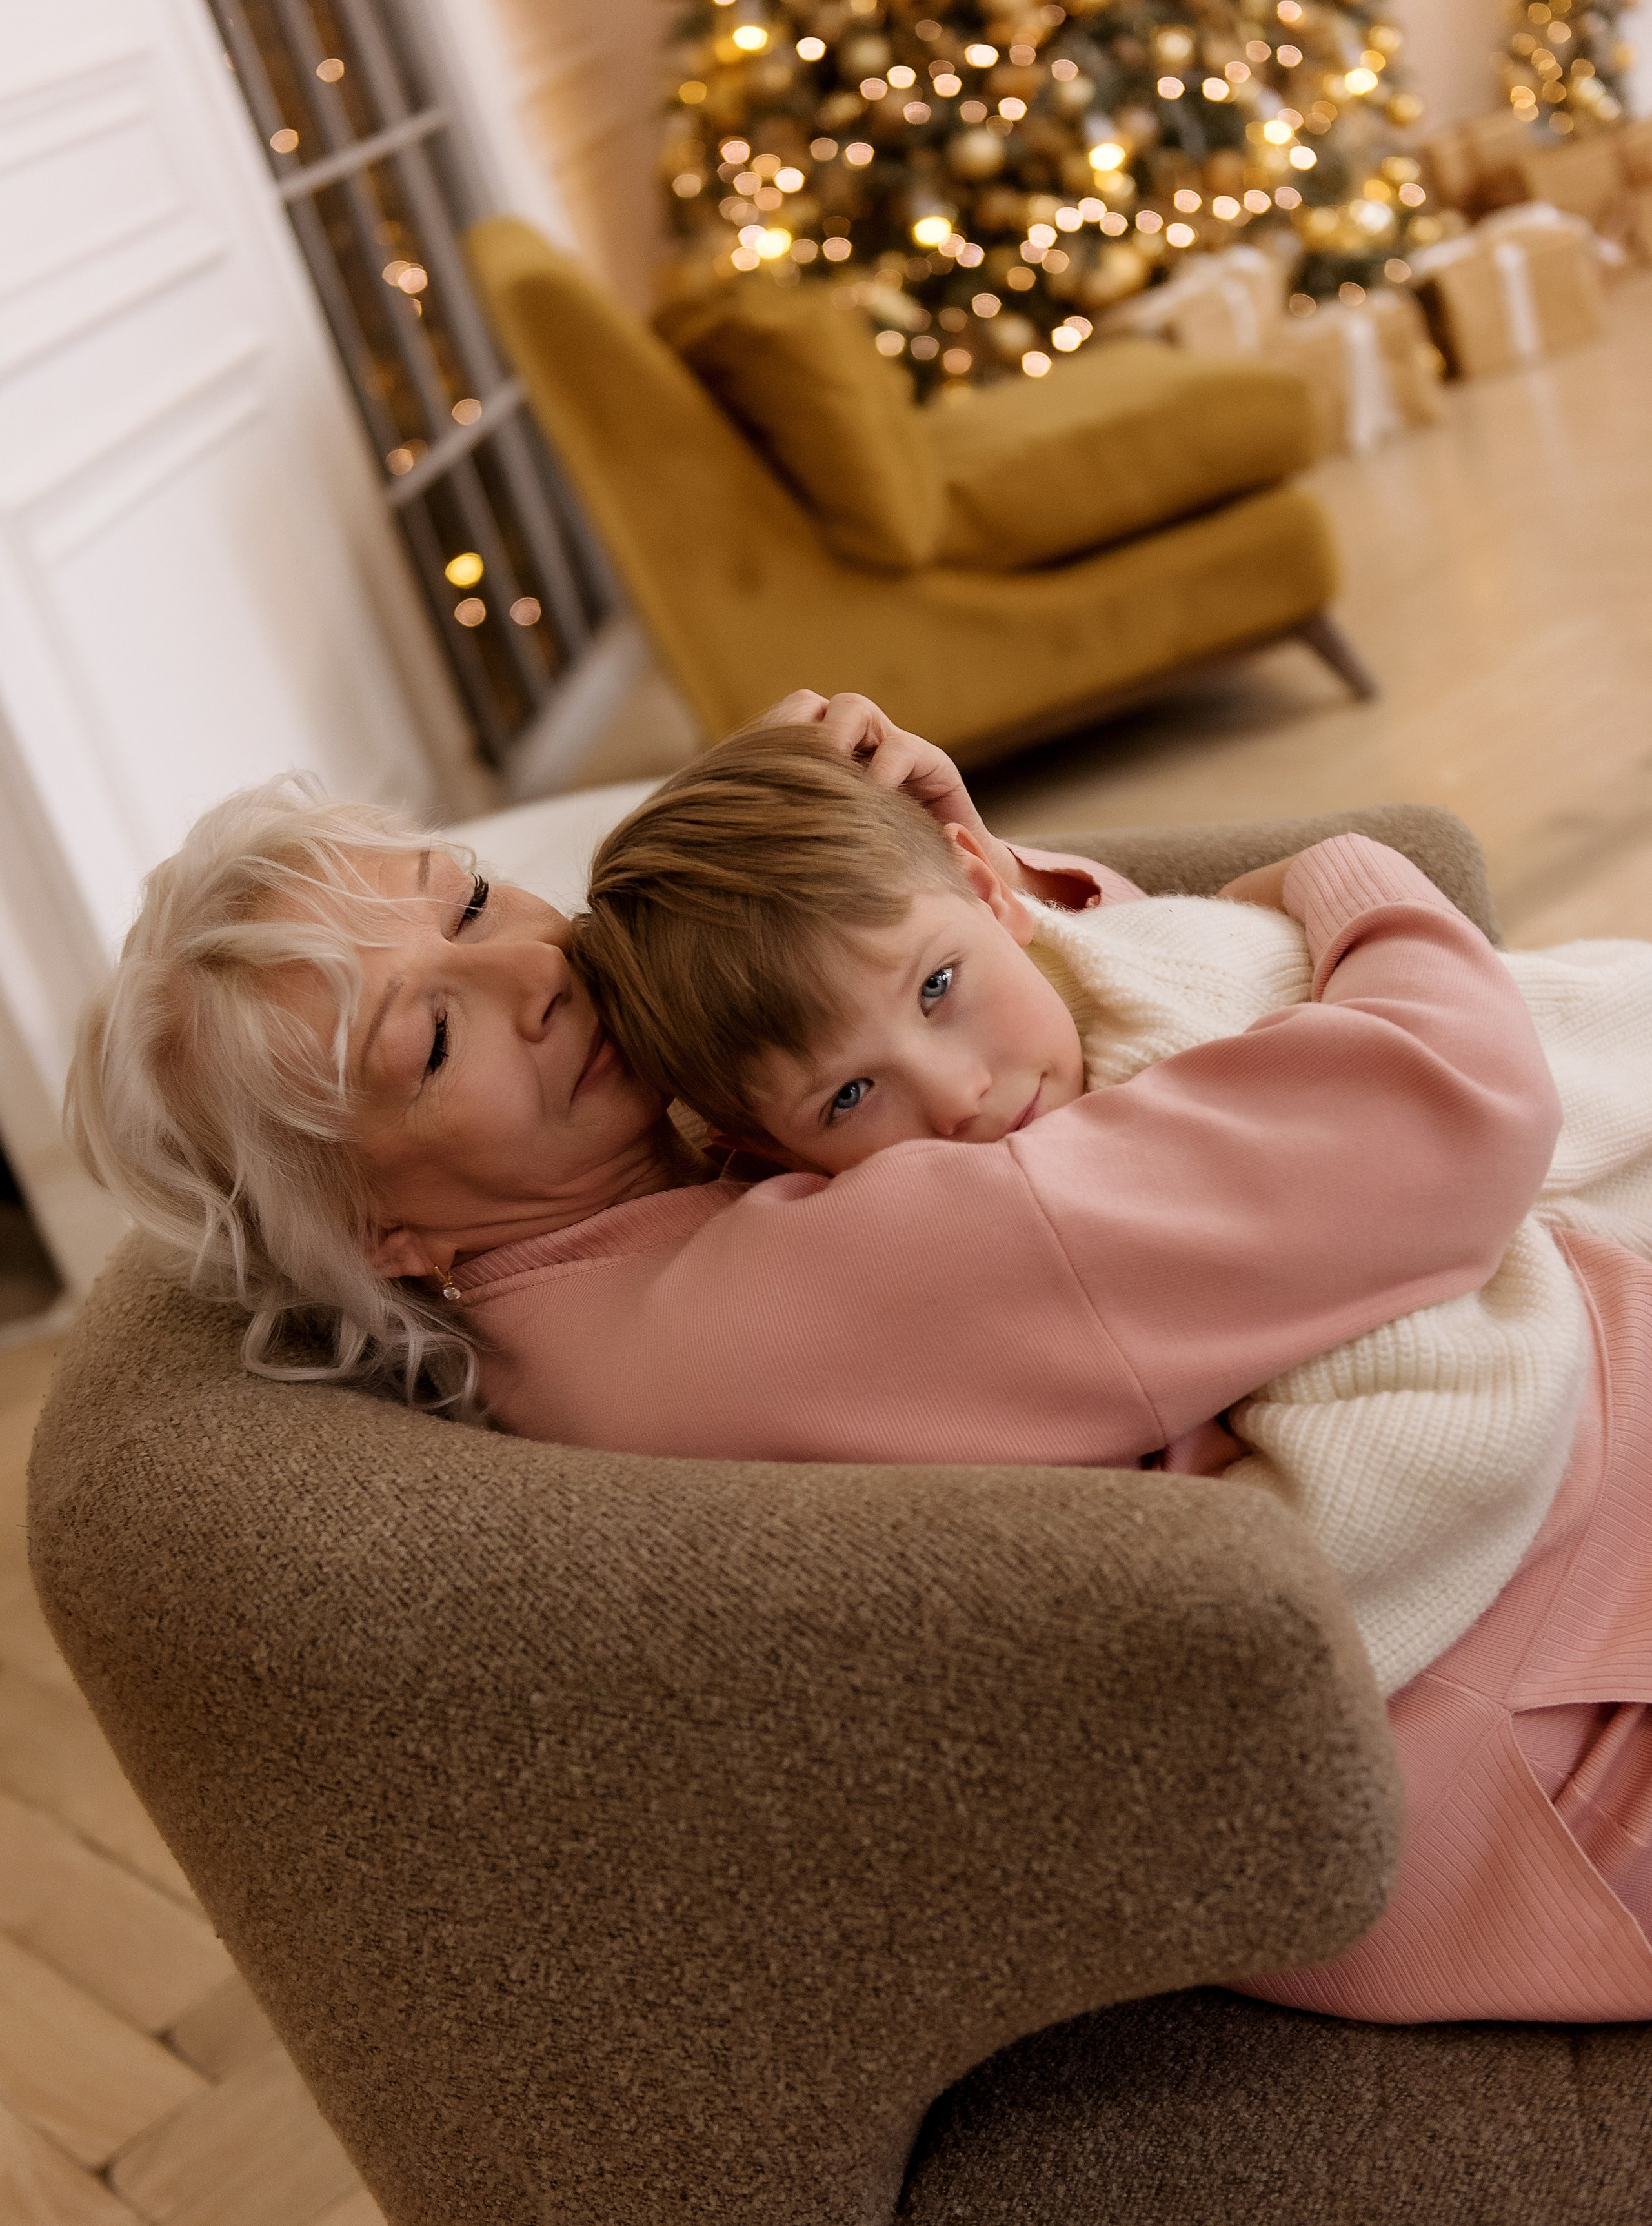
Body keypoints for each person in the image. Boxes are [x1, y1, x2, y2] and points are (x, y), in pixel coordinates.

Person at [73, 691, 1644, 2026]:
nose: (533, 975)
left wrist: (885, 864)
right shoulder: (771, 1309)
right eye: (427, 1039)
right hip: (1551, 1719)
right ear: (379, 1231)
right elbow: (1433, 1112)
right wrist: (1343, 878)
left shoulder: (591, 1269)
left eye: (472, 900)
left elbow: (1041, 1075)